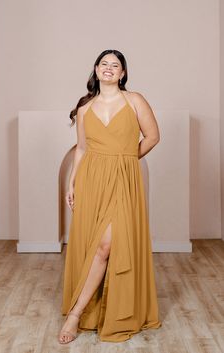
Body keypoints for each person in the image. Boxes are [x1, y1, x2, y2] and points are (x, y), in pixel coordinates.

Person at [59, 49, 162, 344]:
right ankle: (91, 311)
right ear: (95, 69)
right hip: (92, 180)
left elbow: (153, 136)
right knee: (94, 245)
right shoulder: (84, 109)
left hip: (123, 179)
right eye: (104, 63)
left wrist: (127, 159)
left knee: (106, 245)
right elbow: (81, 149)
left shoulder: (135, 100)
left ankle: (75, 315)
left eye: (115, 65)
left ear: (123, 74)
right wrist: (72, 183)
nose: (109, 68)